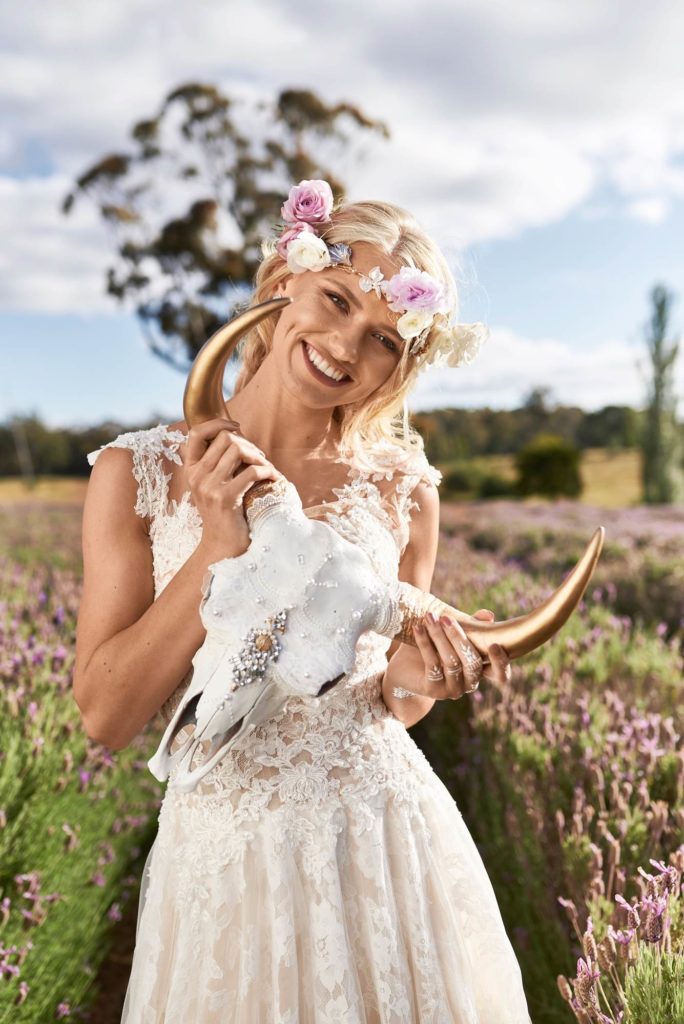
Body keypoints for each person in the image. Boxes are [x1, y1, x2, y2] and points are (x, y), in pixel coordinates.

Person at [74, 180, 532, 1022]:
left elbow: (394, 700)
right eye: (335, 299)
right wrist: (218, 547)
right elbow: (106, 714)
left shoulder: (404, 490)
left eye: (384, 339)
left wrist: (427, 675)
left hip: (383, 842)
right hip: (225, 858)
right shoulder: (132, 473)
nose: (345, 344)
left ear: (402, 364)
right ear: (286, 278)